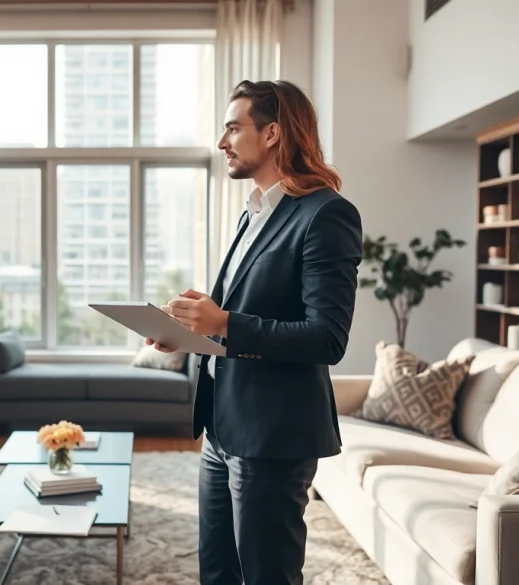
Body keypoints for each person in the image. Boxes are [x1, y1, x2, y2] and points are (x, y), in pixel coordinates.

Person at [146, 79, 363, 585]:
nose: (222, 142)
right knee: (217, 572)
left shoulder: (327, 214)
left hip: (272, 435)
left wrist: (224, 322)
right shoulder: (255, 212)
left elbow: (327, 337)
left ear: (272, 133)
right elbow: (246, 313)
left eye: (232, 128)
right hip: (221, 425)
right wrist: (190, 331)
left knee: (268, 576)